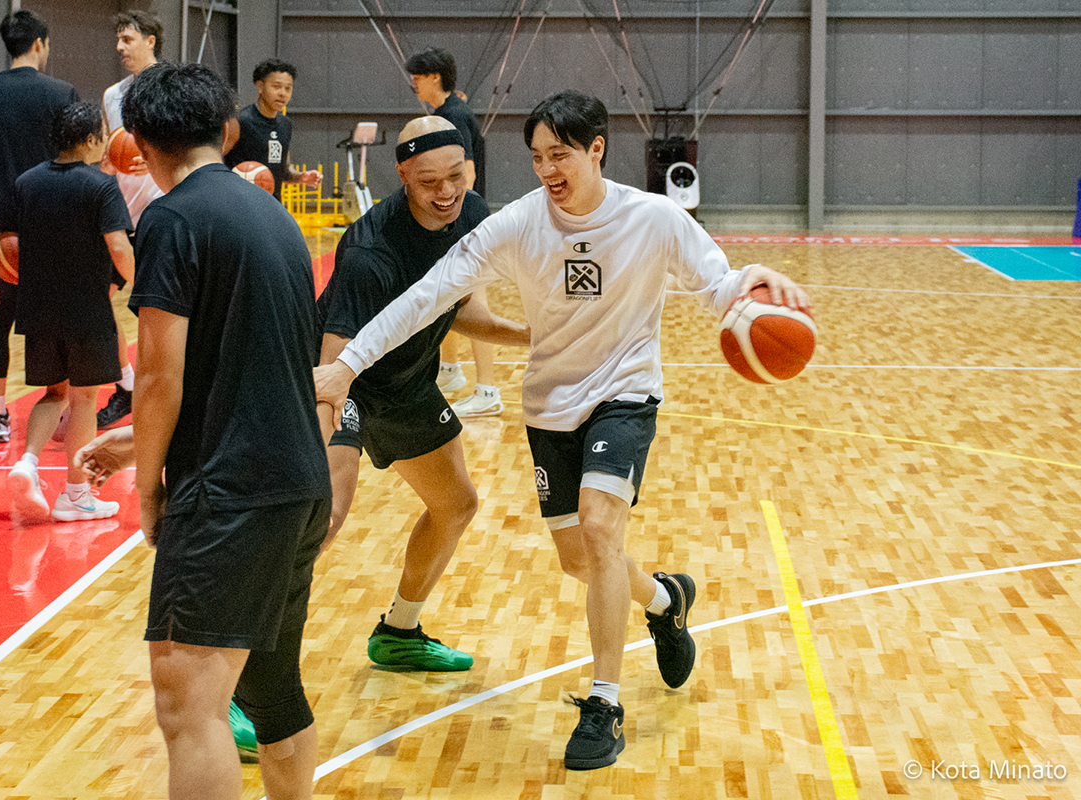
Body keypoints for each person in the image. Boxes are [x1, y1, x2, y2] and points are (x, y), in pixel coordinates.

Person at [314, 91, 812, 771]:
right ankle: (665, 599)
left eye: (561, 155)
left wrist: (752, 283)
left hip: (625, 395)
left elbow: (718, 285)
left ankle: (604, 704)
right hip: (551, 408)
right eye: (538, 157)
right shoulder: (516, 224)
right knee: (580, 559)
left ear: (596, 149)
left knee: (602, 530)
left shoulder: (654, 218)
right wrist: (345, 365)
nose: (548, 169)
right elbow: (426, 297)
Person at [228, 115, 530, 761]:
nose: (446, 193)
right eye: (429, 182)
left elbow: (463, 309)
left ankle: (399, 632)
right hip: (345, 383)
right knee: (322, 520)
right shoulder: (370, 251)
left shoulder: (472, 213)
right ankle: (234, 680)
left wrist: (536, 337)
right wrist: (314, 455)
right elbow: (334, 363)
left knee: (456, 504)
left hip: (408, 384)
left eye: (456, 177)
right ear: (402, 176)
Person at [80, 61, 333, 800]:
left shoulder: (171, 219)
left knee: (188, 706)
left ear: (137, 142)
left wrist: (149, 488)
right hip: (296, 483)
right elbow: (251, 362)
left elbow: (160, 375)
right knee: (271, 692)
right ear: (225, 130)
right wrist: (139, 441)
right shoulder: (272, 214)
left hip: (230, 494)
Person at [0, 102, 133, 522]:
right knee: (83, 401)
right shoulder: (101, 186)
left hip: (38, 309)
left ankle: (27, 463)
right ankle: (76, 495)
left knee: (54, 394)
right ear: (90, 139)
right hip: (87, 310)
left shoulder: (27, 181)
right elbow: (118, 246)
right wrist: (144, 282)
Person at [0, 9, 79, 442]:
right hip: (50, 224)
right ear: (40, 43)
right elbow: (74, 156)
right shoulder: (62, 92)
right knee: (56, 323)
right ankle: (61, 409)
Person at [405, 47, 501, 419]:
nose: (413, 84)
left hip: (465, 223)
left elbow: (467, 174)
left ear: (435, 76)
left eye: (417, 77)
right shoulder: (447, 113)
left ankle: (488, 390)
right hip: (458, 220)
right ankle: (449, 369)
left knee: (474, 300)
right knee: (447, 295)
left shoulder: (454, 116)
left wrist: (451, 223)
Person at [93, 9, 167, 430]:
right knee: (96, 302)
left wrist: (156, 158)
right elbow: (108, 151)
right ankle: (126, 385)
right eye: (118, 39)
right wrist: (109, 162)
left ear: (150, 40)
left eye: (128, 39)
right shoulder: (112, 95)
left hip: (162, 214)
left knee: (158, 312)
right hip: (119, 216)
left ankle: (171, 390)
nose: (119, 47)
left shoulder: (172, 86)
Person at [222, 59, 321, 198]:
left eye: (288, 88)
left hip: (273, 204)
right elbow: (217, 163)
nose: (283, 93)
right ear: (260, 87)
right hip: (241, 202)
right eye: (276, 86)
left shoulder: (285, 124)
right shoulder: (240, 121)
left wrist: (301, 177)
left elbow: (284, 170)